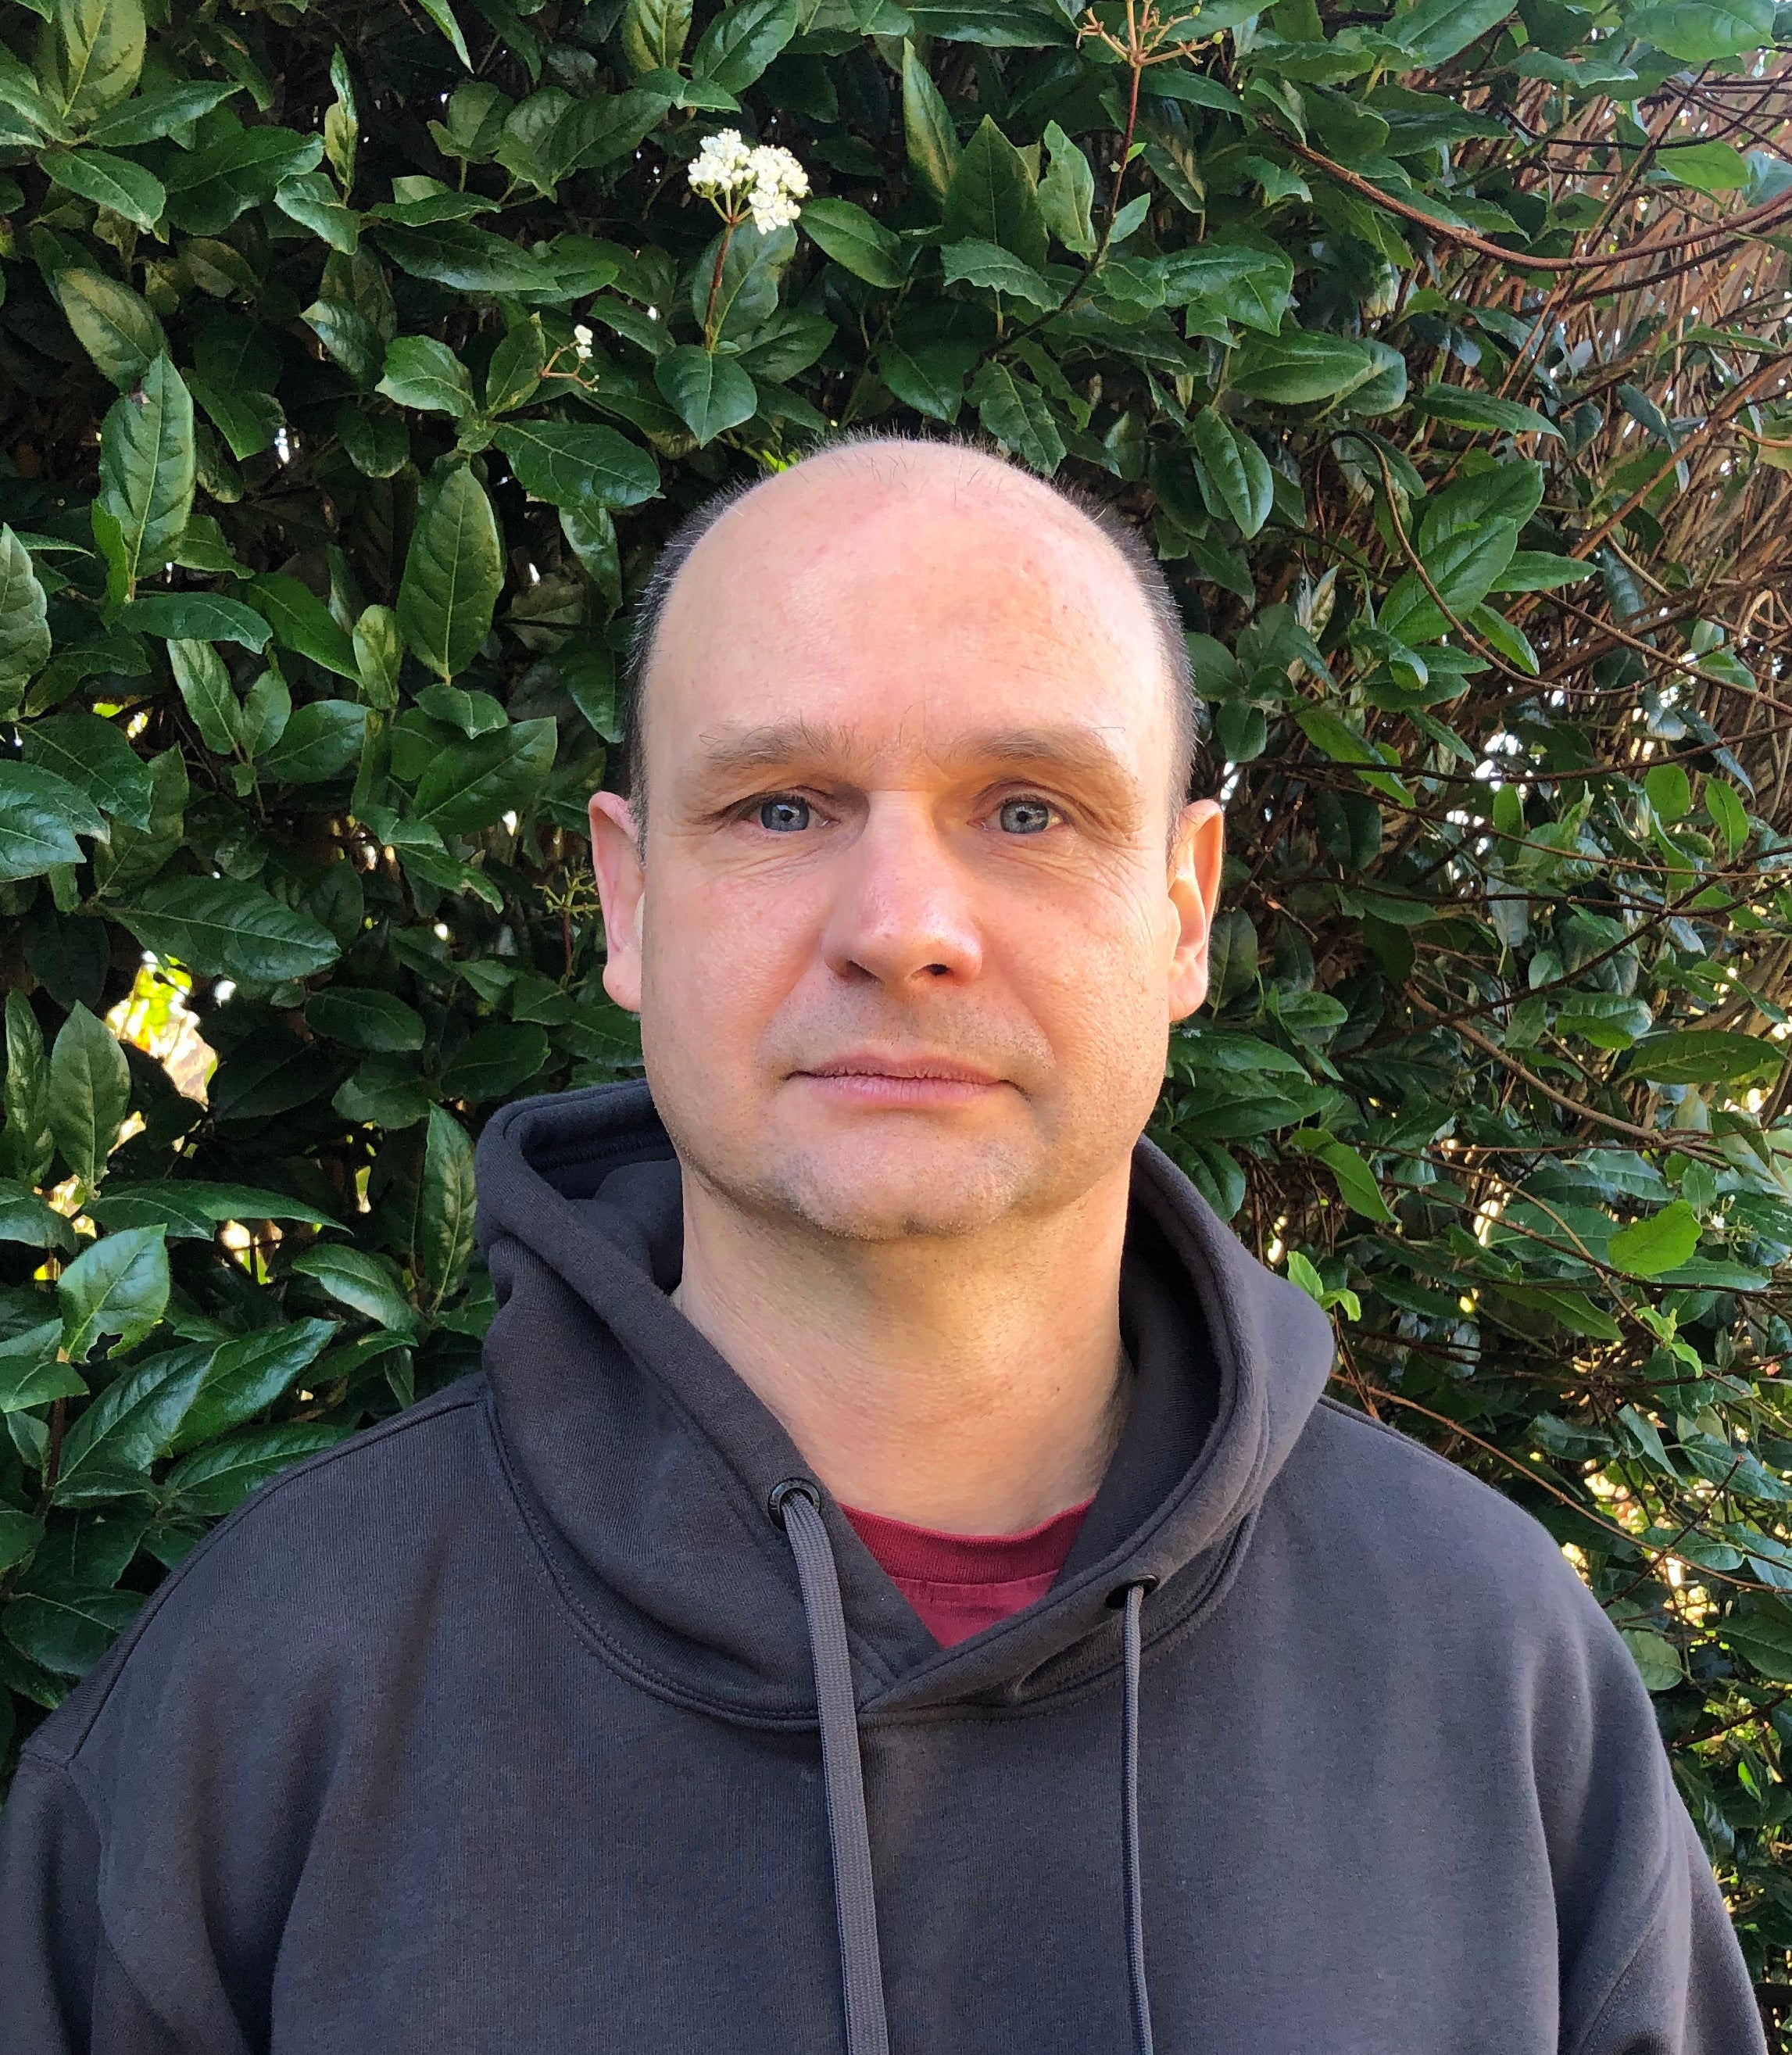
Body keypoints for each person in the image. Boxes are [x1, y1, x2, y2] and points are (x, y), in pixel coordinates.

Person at [0, 431, 1765, 2055]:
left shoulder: (1491, 1671)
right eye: (781, 805)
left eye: (1027, 809)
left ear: (1182, 909)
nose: (903, 925)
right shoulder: (269, 1689)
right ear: (628, 897)